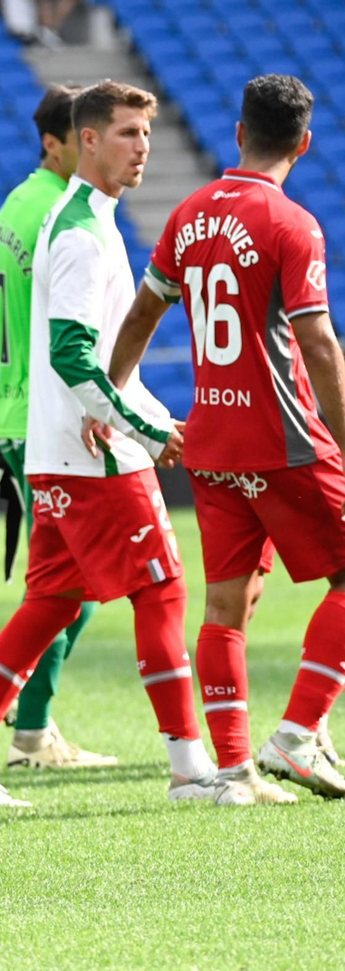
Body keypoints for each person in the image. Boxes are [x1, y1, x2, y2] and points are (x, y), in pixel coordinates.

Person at [0, 80, 278, 808]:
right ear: (86, 140)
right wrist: (143, 428)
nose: (142, 147)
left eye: (146, 134)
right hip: (92, 457)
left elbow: (98, 363)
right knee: (163, 588)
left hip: (58, 448)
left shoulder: (85, 219)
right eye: (126, 133)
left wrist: (146, 411)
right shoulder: (84, 232)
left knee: (51, 601)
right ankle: (188, 769)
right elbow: (73, 356)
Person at [108, 74, 345, 799]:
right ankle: (299, 734)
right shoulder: (291, 224)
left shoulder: (187, 215)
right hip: (285, 438)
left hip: (210, 440)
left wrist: (115, 393)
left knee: (226, 606)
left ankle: (234, 768)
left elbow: (144, 315)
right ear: (302, 144)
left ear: (237, 133)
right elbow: (318, 344)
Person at [0, 84, 116, 769]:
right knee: (75, 585)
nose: (96, 150)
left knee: (69, 581)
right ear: (56, 143)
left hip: (17, 410)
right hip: (47, 421)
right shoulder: (59, 216)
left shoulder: (18, 205)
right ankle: (26, 724)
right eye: (85, 139)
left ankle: (27, 719)